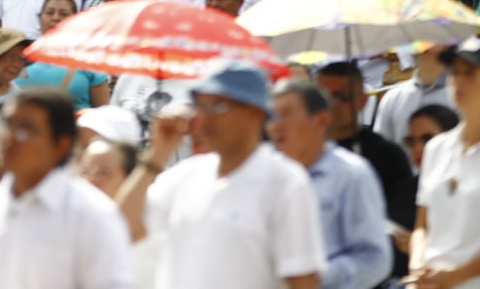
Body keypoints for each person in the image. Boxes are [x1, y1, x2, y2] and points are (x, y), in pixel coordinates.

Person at [115, 59, 326, 289]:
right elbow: (121, 229)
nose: (203, 118)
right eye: (199, 106)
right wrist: (157, 154)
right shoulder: (186, 175)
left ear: (254, 112)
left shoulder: (285, 183)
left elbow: (302, 281)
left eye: (217, 106)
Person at [0, 88, 134, 289]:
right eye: (7, 125)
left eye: (26, 129)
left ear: (62, 144)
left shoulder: (93, 216)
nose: (9, 137)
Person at [267, 79, 393, 289]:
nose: (276, 126)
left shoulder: (352, 175)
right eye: (272, 116)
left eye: (286, 115)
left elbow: (375, 260)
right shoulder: (263, 175)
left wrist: (316, 275)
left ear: (321, 120)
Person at [411, 43, 480, 289]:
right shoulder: (436, 148)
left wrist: (458, 275)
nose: (459, 81)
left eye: (470, 73)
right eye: (455, 73)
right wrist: (417, 266)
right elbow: (422, 226)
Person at [315, 61, 414, 208]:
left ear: (362, 101)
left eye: (341, 97)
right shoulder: (303, 152)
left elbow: (402, 211)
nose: (332, 105)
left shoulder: (388, 156)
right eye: (323, 98)